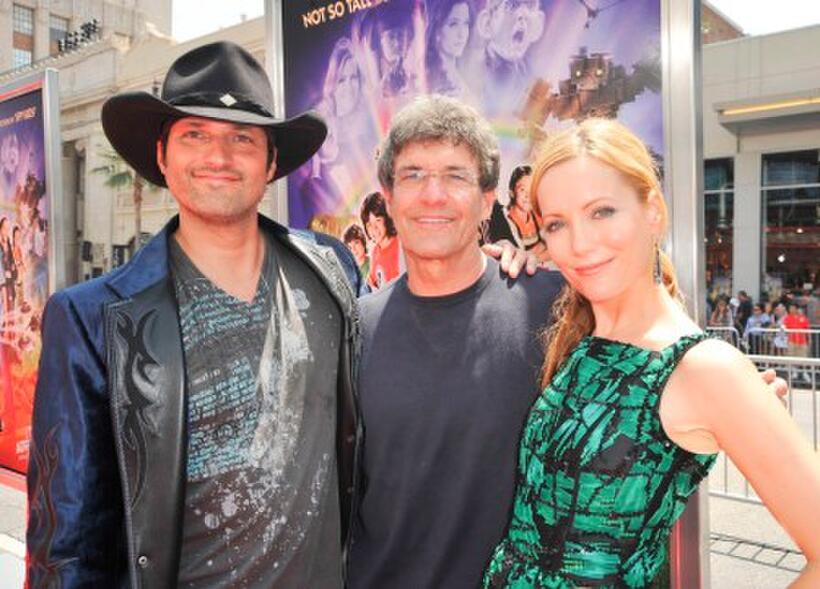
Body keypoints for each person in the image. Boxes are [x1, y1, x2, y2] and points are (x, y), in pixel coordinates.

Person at [26, 41, 364, 589]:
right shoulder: (93, 321)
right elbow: (66, 545)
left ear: (271, 162)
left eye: (242, 138)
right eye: (195, 135)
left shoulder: (332, 272)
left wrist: (486, 271)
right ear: (162, 155)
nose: (219, 157)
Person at [483, 118, 820, 587]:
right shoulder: (582, 337)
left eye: (602, 211)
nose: (579, 243)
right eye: (557, 223)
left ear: (653, 211)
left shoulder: (704, 368)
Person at [347, 94, 563, 589]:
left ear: (487, 199)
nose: (433, 195)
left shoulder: (551, 308)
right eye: (413, 175)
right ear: (389, 197)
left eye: (455, 176)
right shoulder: (354, 329)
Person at [425, 0, 474, 98]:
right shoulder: (430, 79)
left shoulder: (460, 76)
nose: (462, 34)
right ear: (437, 30)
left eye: (466, 23)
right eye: (453, 24)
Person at [360, 191, 403, 290]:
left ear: (387, 219)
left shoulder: (401, 245)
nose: (374, 228)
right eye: (369, 225)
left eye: (378, 220)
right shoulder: (375, 252)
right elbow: (372, 283)